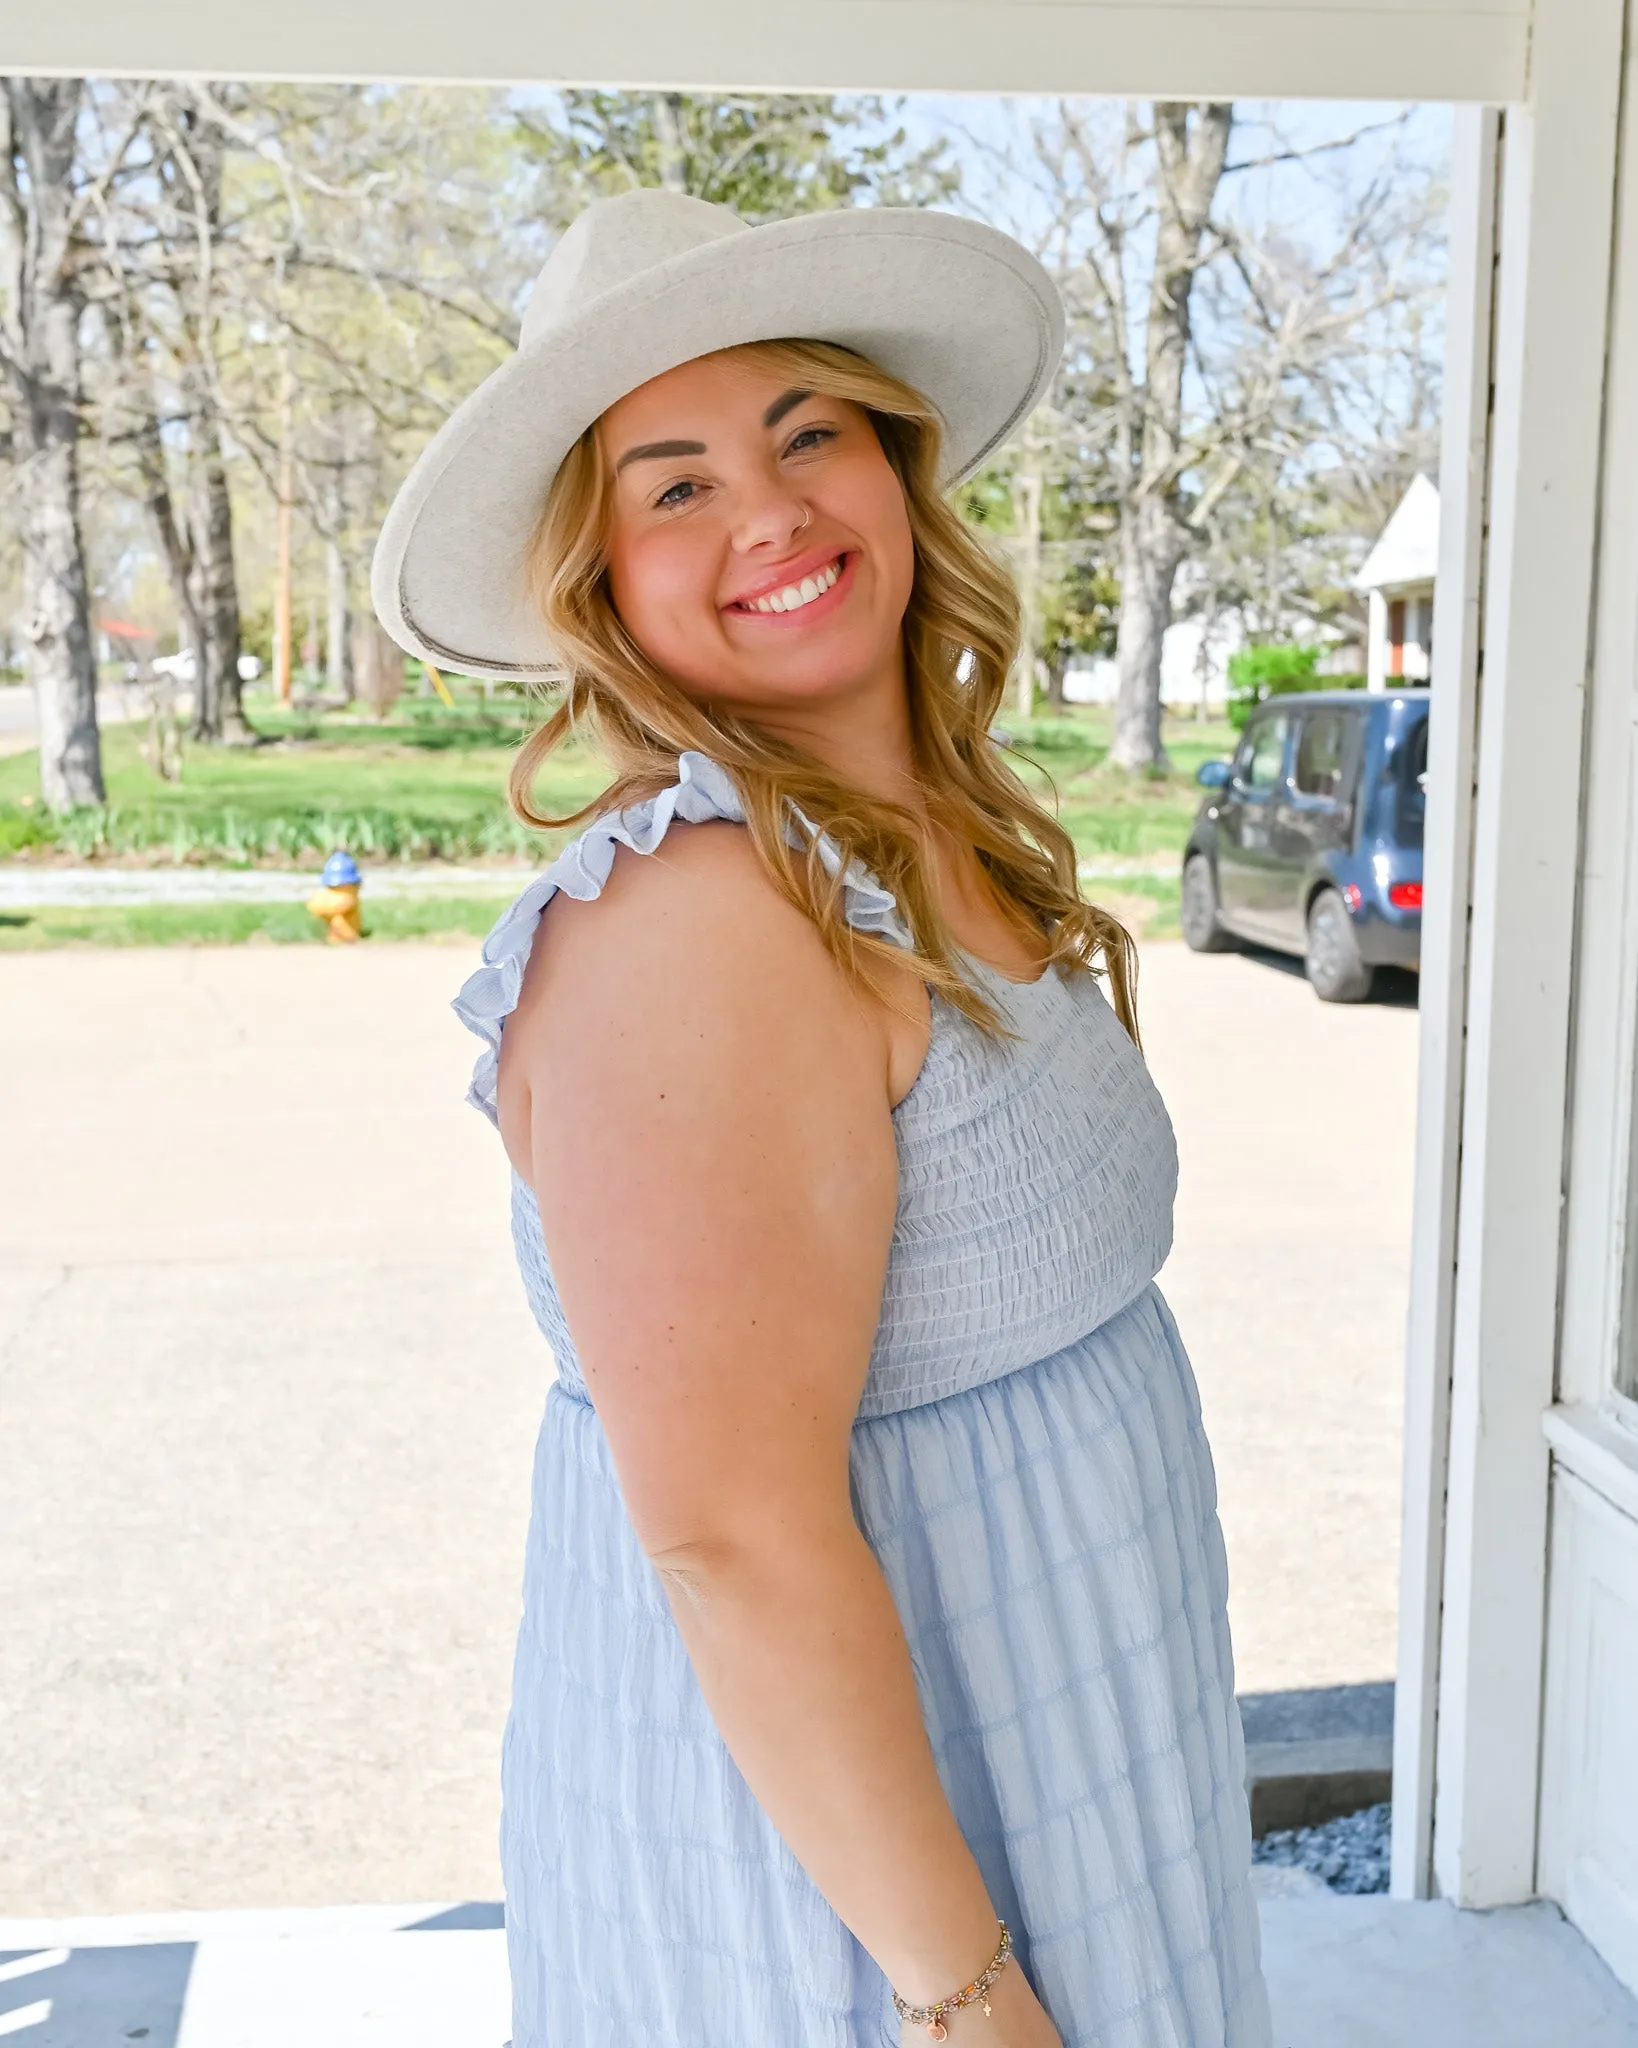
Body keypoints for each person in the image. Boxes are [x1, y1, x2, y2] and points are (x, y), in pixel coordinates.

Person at [373, 189, 1270, 2048]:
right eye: (674, 485)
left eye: (808, 435)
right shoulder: (699, 920)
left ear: (894, 469)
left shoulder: (919, 843)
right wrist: (964, 2001)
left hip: (1047, 1746)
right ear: (597, 576)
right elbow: (731, 1536)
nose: (770, 511)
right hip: (866, 1881)